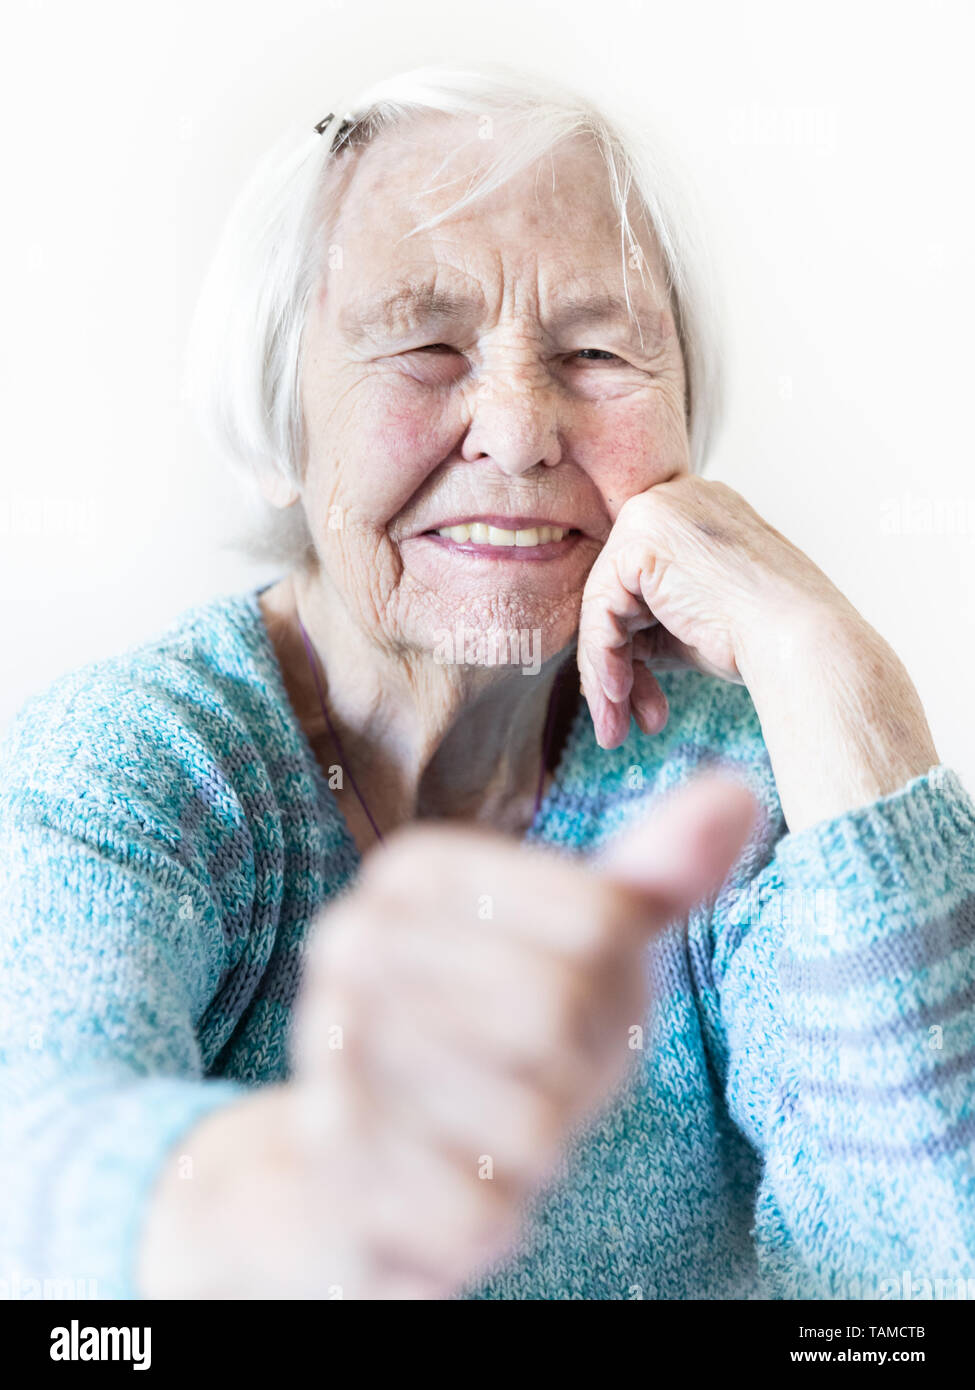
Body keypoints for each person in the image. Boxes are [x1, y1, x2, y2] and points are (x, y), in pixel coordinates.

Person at [1, 61, 972, 1302]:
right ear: (279, 415)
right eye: (423, 342)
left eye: (598, 349)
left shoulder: (743, 776)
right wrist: (311, 1194)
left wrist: (833, 669)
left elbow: (914, 1280)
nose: (518, 431)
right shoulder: (132, 759)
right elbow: (34, 1158)